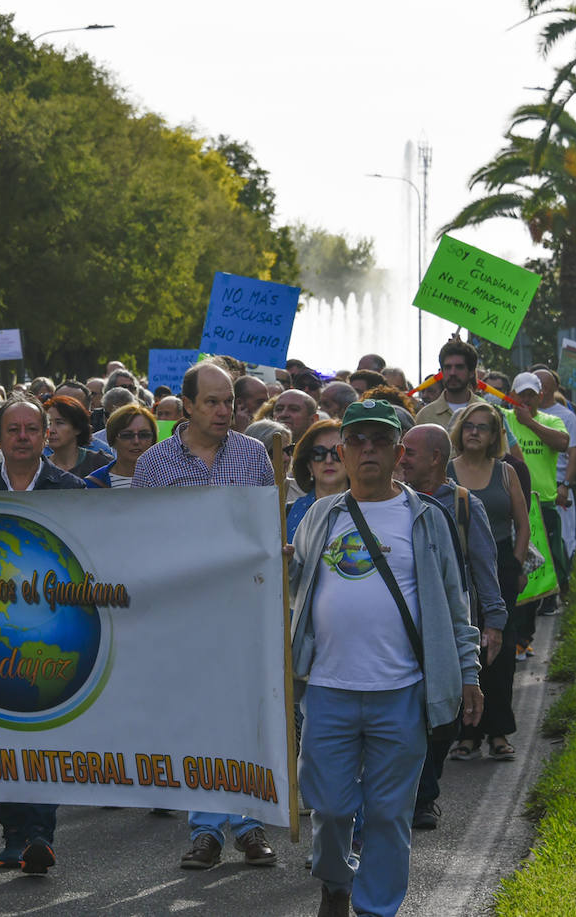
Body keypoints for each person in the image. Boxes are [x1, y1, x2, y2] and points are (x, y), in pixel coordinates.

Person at [289, 400, 482, 917]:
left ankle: (377, 908)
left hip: (401, 693)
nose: (366, 449)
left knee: (389, 813)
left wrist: (468, 675)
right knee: (328, 808)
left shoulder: (427, 518)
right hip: (327, 689)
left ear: (399, 452)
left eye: (379, 440)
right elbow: (292, 593)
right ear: (343, 452)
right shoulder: (319, 516)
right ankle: (334, 877)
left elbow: (456, 605)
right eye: (356, 441)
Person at [133, 361, 278, 871]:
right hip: (186, 613)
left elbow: (265, 529)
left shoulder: (254, 454)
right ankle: (206, 832)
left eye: (230, 402)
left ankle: (250, 825)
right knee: (200, 719)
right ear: (186, 406)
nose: (225, 411)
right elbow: (142, 540)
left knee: (245, 716)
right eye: (213, 402)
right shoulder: (154, 465)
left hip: (242, 610)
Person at [0, 394, 85, 875]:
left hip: (53, 626)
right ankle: (12, 832)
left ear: (45, 435)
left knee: (44, 728)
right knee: (0, 730)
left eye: (31, 429)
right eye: (12, 430)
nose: (22, 438)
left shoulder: (70, 489)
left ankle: (38, 834)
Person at [396, 422, 510, 831]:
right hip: (401, 629)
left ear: (435, 459)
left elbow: (484, 567)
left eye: (408, 451)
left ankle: (425, 791)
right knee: (407, 712)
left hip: (447, 627)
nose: (400, 457)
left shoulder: (463, 504)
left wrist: (493, 624)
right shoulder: (393, 502)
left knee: (443, 713)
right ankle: (418, 797)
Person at [444, 404, 530, 766]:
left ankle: (498, 732)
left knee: (501, 649)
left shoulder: (507, 472)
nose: (475, 433)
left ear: (495, 435)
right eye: (469, 427)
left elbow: (523, 524)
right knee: (464, 648)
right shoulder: (446, 472)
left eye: (484, 428)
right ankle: (466, 734)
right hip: (456, 568)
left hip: (500, 569)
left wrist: (517, 564)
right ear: (460, 431)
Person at [503, 372, 569, 658]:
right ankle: (514, 635)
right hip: (510, 505)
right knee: (516, 569)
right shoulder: (503, 418)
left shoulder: (552, 421)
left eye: (531, 394)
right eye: (522, 394)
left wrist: (529, 423)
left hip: (543, 508)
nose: (526, 399)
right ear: (513, 395)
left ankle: (525, 637)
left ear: (540, 396)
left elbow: (563, 443)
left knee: (538, 574)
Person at [533, 369, 576, 566]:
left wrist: (565, 484)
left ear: (544, 390)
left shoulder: (566, 417)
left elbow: (574, 454)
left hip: (558, 491)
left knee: (562, 542)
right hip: (533, 491)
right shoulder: (520, 415)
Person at [286, 419, 347, 538]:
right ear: (308, 464)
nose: (328, 460)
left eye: (337, 453)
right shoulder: (287, 513)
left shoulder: (368, 509)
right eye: (319, 453)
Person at [414, 338, 486, 428]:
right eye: (448, 367)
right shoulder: (425, 416)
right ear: (442, 371)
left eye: (459, 367)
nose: (452, 373)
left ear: (471, 372)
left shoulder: (487, 412)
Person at [86, 405, 158, 487]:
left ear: (153, 439)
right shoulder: (94, 483)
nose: (136, 441)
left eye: (144, 435)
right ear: (112, 439)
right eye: (127, 435)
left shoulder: (169, 478)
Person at [43, 395, 108, 480]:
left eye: (60, 423)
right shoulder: (40, 468)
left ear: (78, 428)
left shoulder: (99, 463)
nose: (51, 430)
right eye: (48, 424)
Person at [86, 387, 134, 456]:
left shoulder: (141, 439)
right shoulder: (93, 443)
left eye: (122, 416)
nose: (115, 421)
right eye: (109, 415)